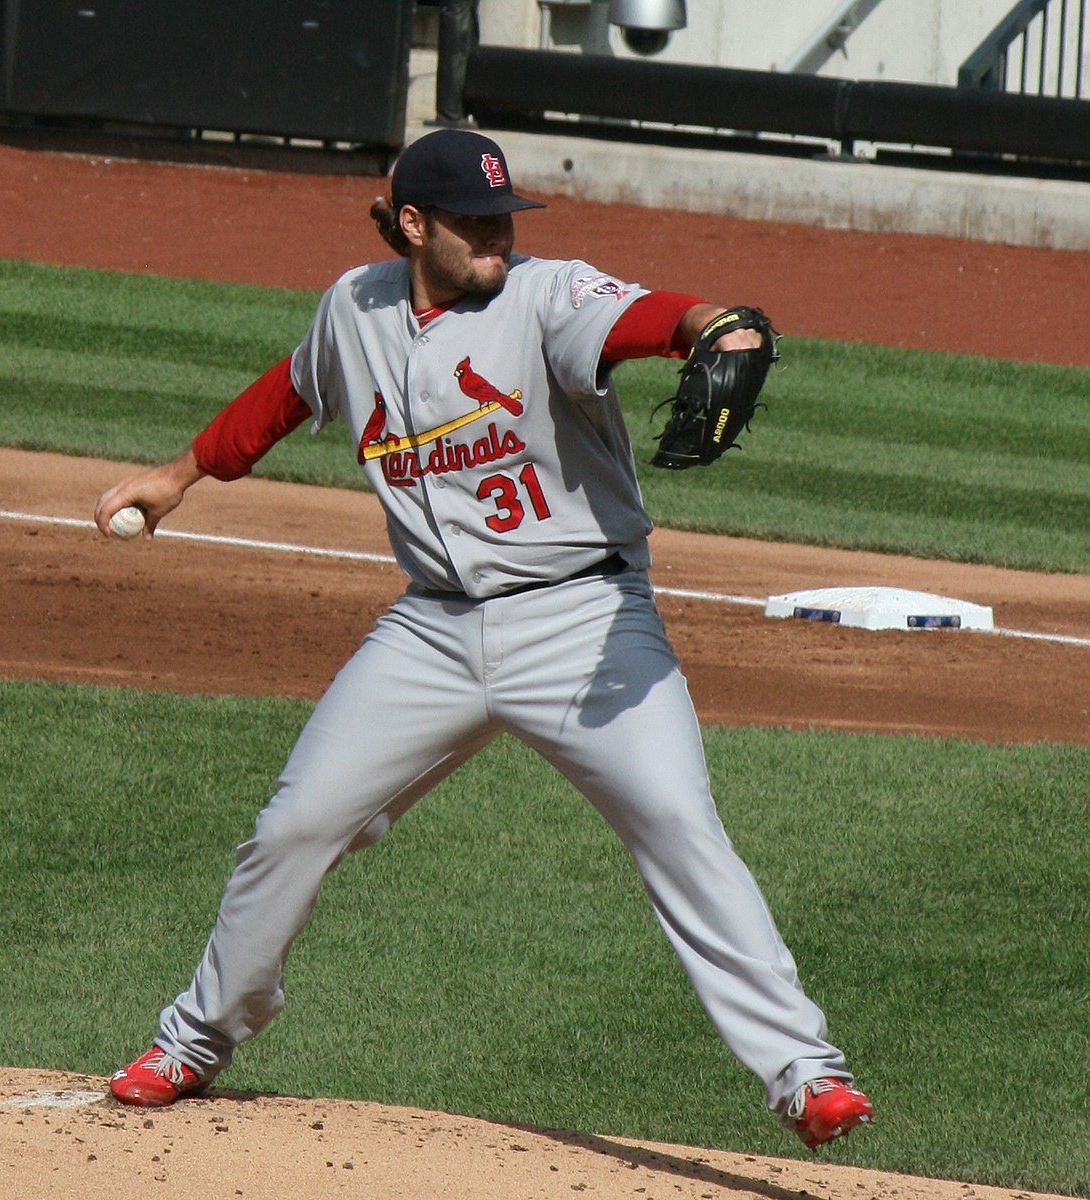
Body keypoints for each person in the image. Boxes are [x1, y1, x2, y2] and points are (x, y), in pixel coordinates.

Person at [95, 128, 874, 1150]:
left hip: (586, 620)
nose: (498, 235)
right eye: (475, 222)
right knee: (294, 827)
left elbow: (650, 319)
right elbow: (290, 390)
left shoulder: (545, 295)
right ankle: (196, 1038)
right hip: (431, 631)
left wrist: (715, 327)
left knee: (678, 824)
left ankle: (804, 1074)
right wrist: (178, 476)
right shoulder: (356, 306)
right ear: (414, 225)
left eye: (505, 216)